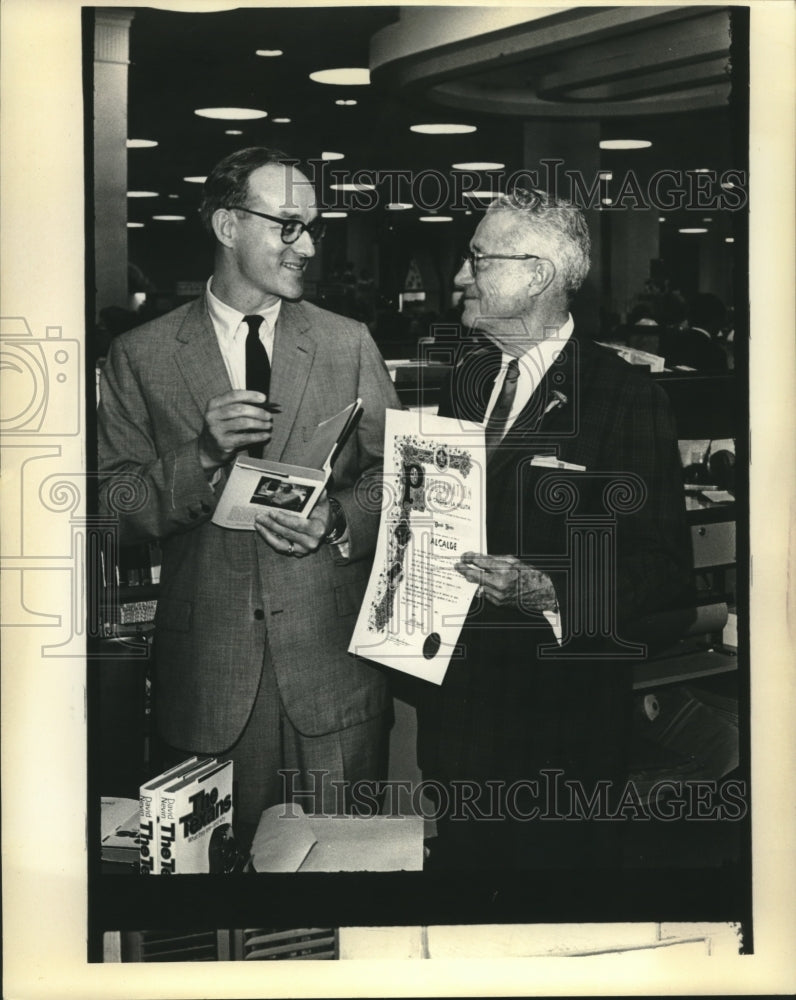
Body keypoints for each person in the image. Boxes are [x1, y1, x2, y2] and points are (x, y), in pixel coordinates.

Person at [98, 147, 400, 829]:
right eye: (288, 226)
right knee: (222, 909)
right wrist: (201, 456)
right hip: (208, 684)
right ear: (228, 226)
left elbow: (401, 478)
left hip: (334, 678)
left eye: (313, 228)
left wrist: (341, 519)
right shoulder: (140, 356)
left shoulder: (348, 343)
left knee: (345, 892)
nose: (308, 248)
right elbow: (114, 511)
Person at [416, 188, 694, 870]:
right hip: (455, 723)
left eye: (478, 259)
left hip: (559, 739)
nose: (459, 276)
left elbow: (664, 578)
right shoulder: (465, 381)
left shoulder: (625, 397)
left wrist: (549, 589)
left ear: (536, 275)